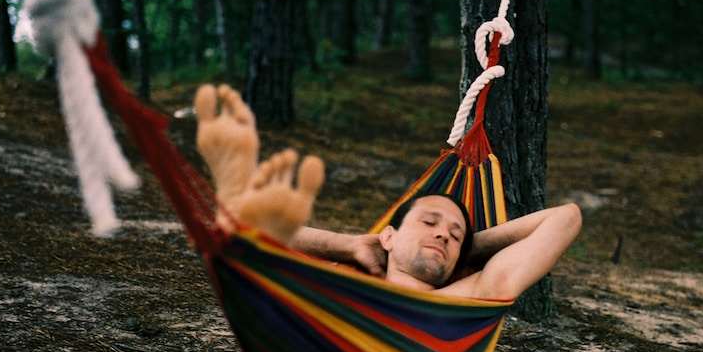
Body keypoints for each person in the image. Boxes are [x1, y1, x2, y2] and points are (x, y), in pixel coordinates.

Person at [194, 83, 581, 301]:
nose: (443, 232)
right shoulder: (337, 277)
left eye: (453, 233)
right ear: (389, 236)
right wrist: (347, 245)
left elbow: (566, 217)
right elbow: (228, 229)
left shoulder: (467, 296)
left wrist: (468, 248)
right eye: (429, 221)